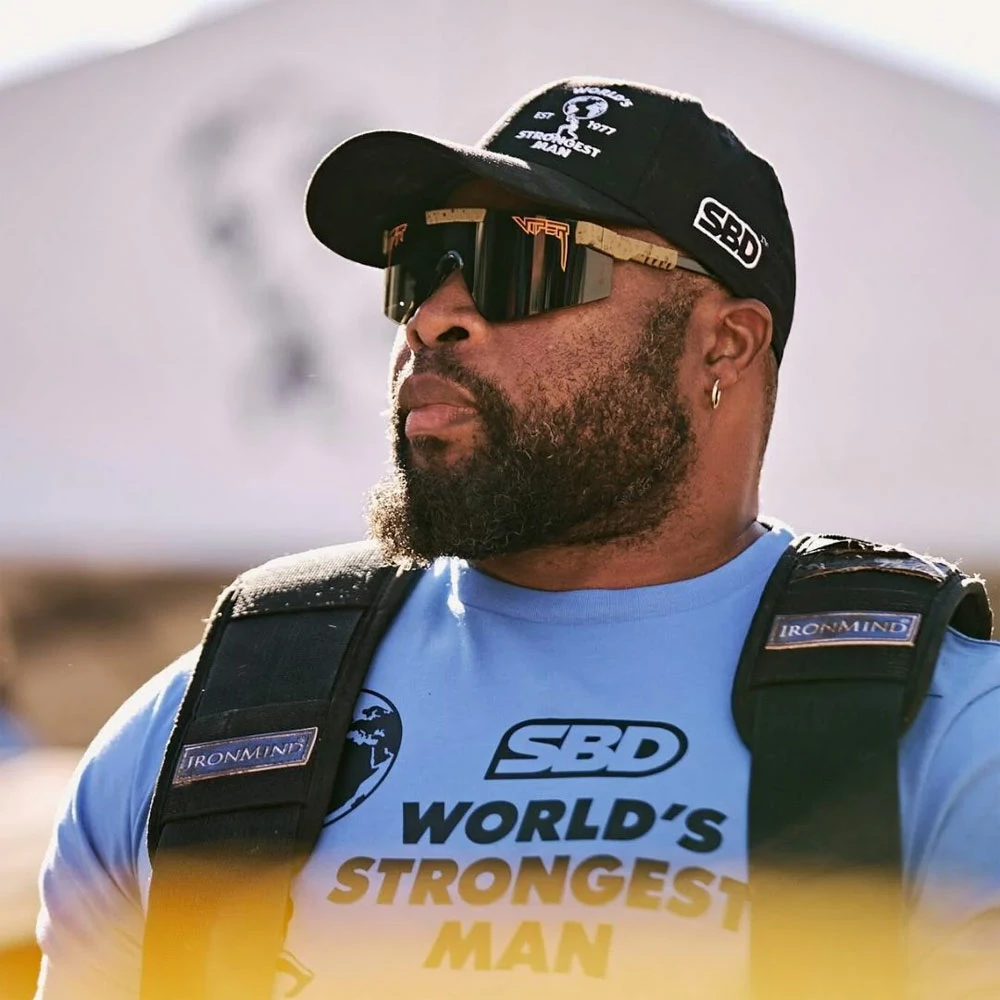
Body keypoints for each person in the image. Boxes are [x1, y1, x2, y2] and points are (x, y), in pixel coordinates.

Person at [35, 78, 1000, 1000]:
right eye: (420, 266)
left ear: (725, 343)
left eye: (522, 261)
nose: (435, 318)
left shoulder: (947, 730)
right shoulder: (208, 723)